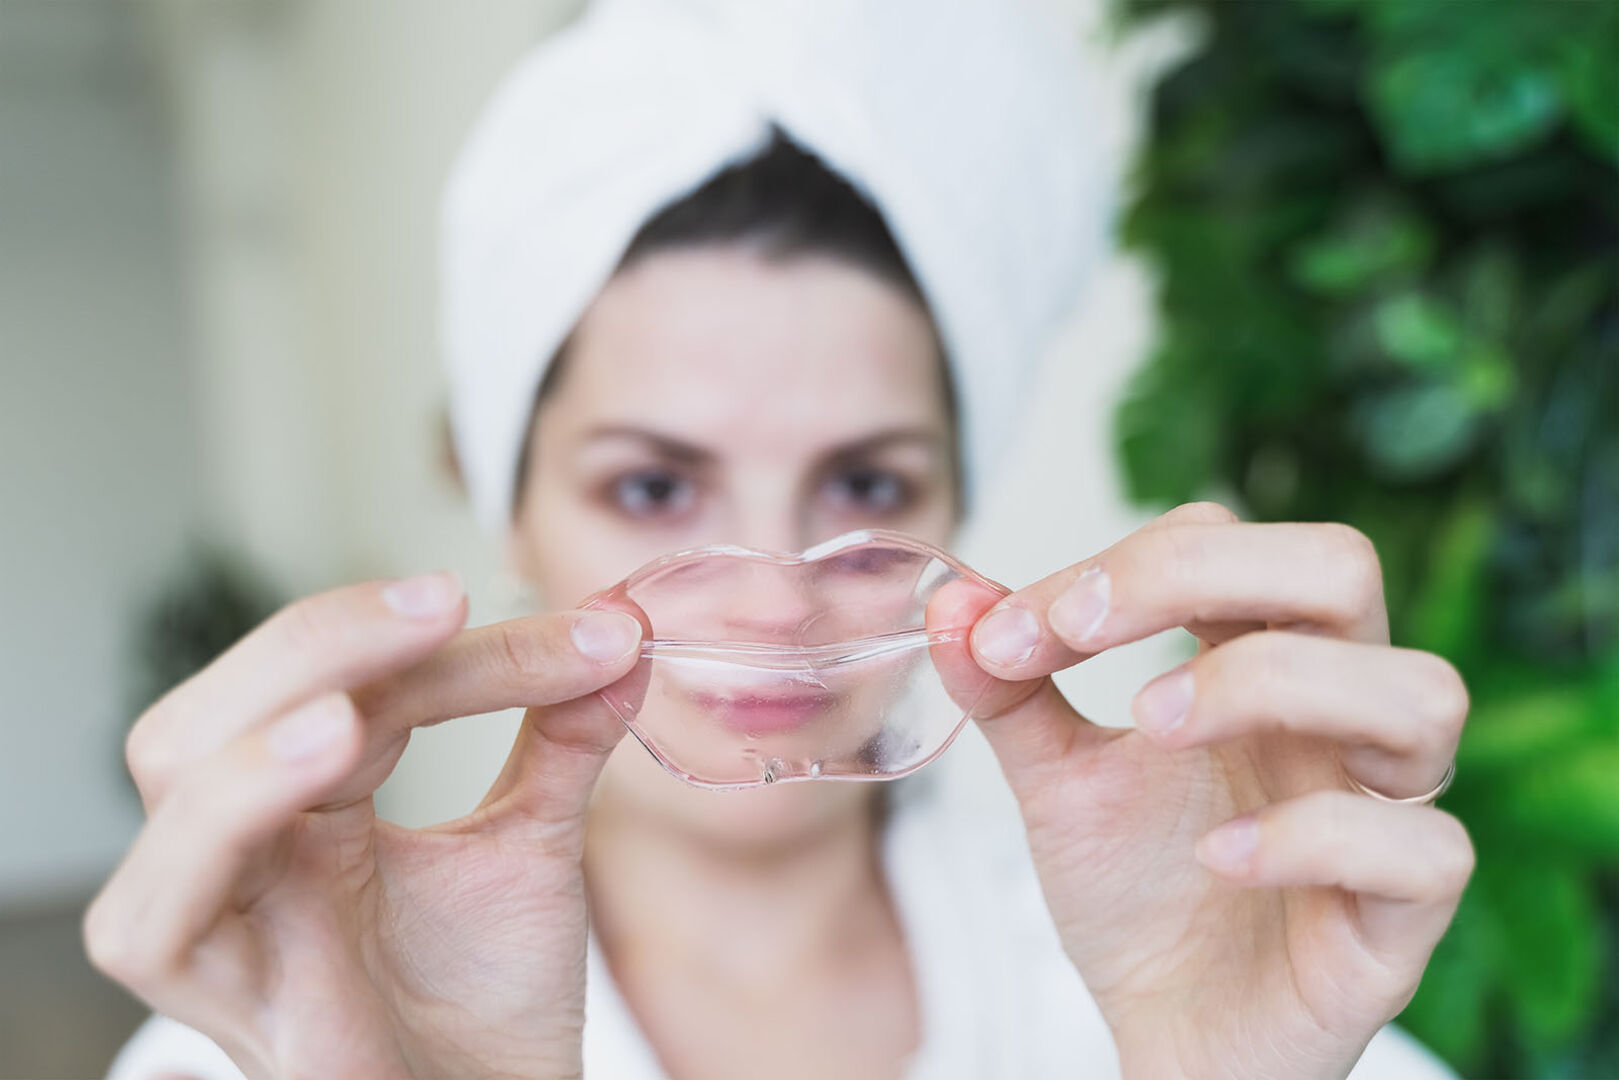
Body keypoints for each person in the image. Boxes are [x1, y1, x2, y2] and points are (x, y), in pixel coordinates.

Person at [90, 1, 1471, 1077]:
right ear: (496, 488)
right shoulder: (280, 1044)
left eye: (866, 484)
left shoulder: (1223, 971)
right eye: (652, 490)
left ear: (957, 497)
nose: (771, 598)